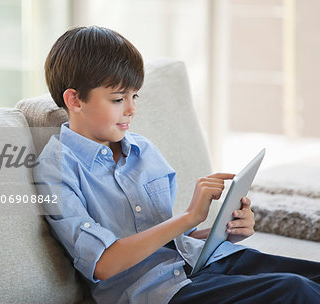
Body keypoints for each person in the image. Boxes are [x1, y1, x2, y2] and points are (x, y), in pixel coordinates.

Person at [33, 26, 320, 304]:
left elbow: (173, 240)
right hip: (159, 290)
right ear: (74, 100)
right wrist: (189, 217)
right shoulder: (57, 168)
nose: (132, 109)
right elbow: (103, 264)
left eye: (134, 96)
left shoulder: (142, 149)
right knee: (294, 290)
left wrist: (224, 232)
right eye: (118, 99)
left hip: (201, 262)